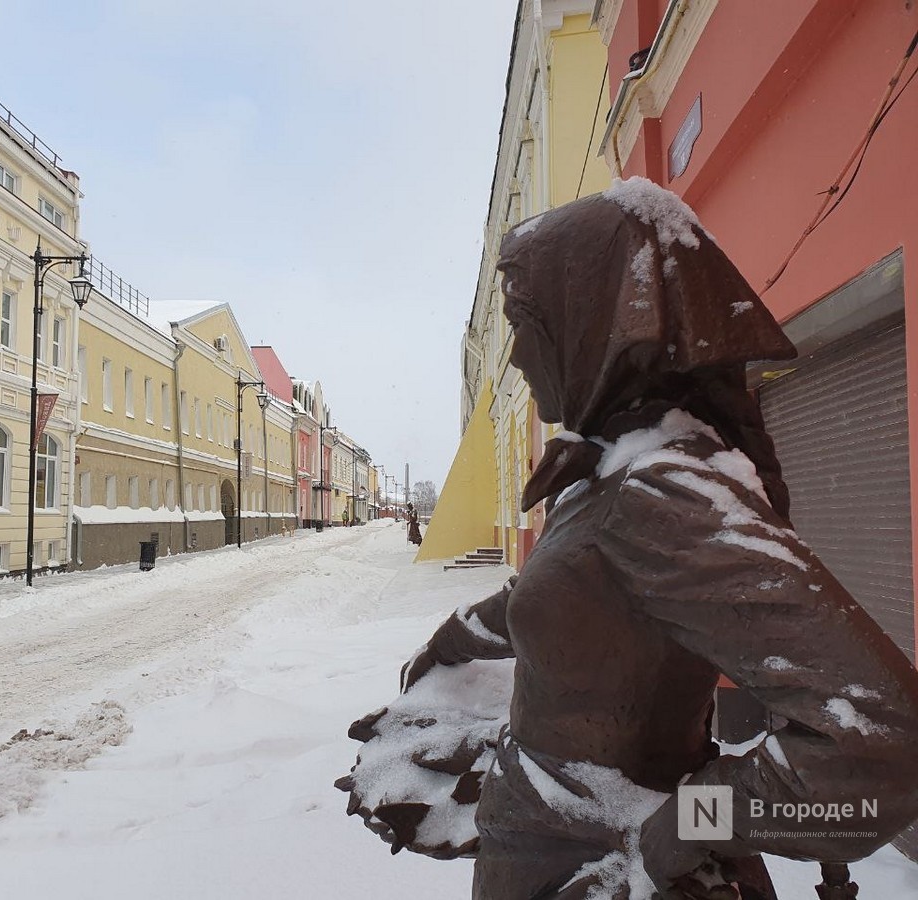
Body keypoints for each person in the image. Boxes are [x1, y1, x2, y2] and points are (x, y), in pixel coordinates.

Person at [341, 179, 918, 899]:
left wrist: (688, 825)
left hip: (610, 875)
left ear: (592, 324)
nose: (518, 356)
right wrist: (464, 633)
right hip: (543, 849)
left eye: (530, 323)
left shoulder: (662, 493)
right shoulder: (606, 474)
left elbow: (882, 745)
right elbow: (578, 596)